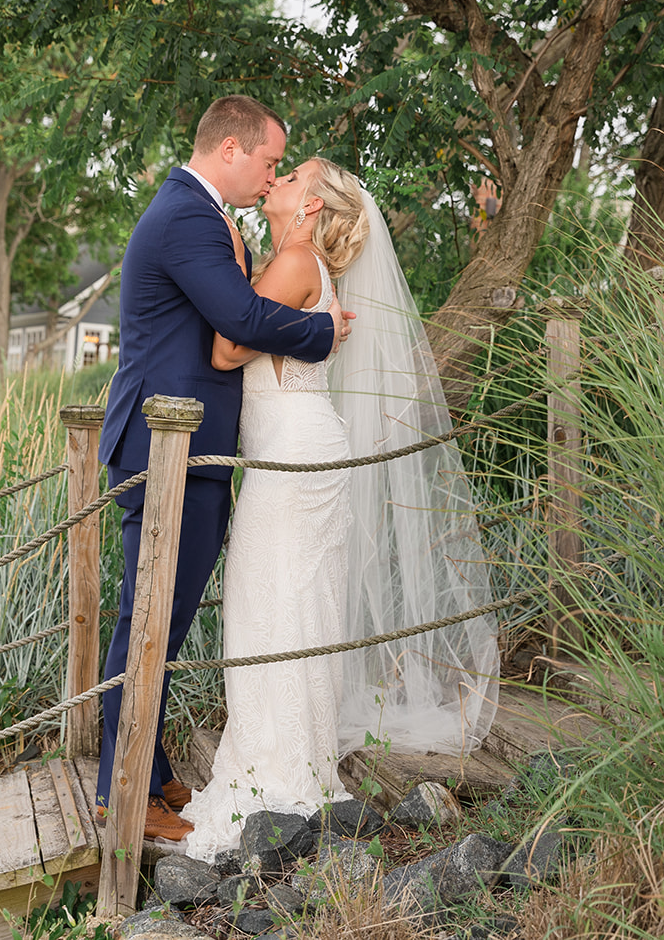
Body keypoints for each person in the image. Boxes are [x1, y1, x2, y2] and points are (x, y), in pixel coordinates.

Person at [180, 158, 502, 859]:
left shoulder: (296, 261)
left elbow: (229, 345)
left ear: (314, 207)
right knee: (292, 605)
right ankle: (294, 763)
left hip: (293, 460)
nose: (280, 179)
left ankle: (280, 775)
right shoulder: (298, 264)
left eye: (293, 175)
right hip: (297, 452)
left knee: (274, 608)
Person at [94, 96, 352, 842]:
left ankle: (148, 768)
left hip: (192, 451)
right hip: (164, 448)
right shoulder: (188, 216)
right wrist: (320, 331)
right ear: (232, 148)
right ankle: (124, 793)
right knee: (146, 619)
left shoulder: (205, 217)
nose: (271, 172)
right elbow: (238, 323)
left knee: (162, 621)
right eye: (270, 160)